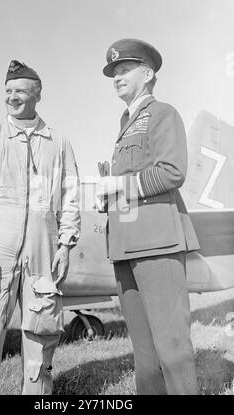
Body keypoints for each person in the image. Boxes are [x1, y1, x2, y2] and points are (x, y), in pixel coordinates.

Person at [0, 60, 80, 395]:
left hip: (44, 248)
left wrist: (66, 244)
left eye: (20, 91)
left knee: (41, 335)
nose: (12, 98)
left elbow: (70, 195)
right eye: (8, 91)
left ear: (37, 95)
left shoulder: (59, 142)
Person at [96, 38, 200, 395]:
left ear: (149, 73)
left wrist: (118, 185)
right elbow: (130, 186)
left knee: (172, 350)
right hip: (125, 248)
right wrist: (105, 194)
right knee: (144, 356)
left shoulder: (162, 113)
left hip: (158, 244)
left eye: (124, 69)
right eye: (114, 72)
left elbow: (172, 172)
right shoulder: (126, 124)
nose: (116, 76)